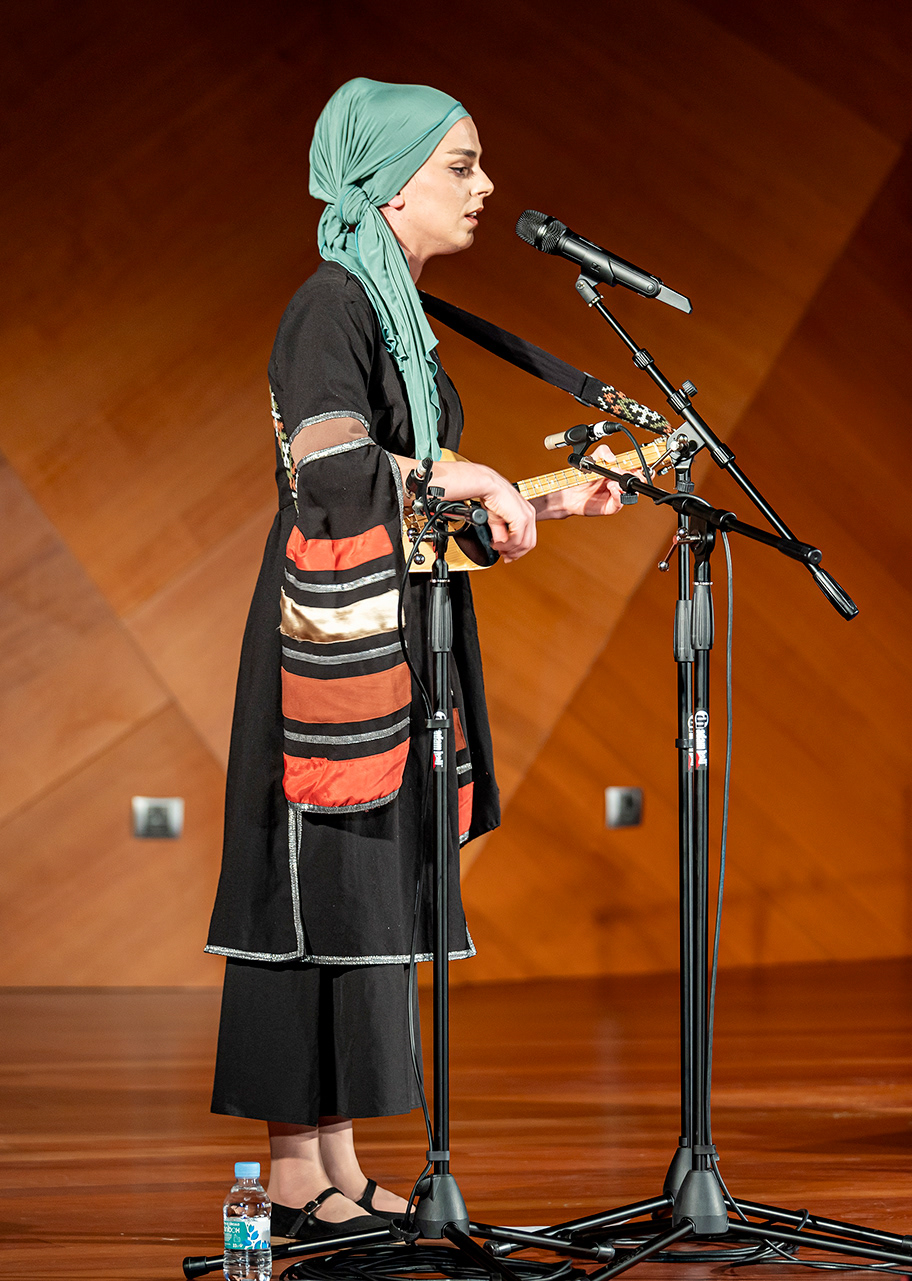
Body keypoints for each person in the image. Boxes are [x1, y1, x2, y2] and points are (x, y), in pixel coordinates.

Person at [204, 78, 631, 1240]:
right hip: (328, 644)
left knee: (363, 894)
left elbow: (415, 500)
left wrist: (542, 497)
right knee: (312, 891)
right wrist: (473, 476)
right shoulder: (331, 305)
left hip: (393, 627)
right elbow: (336, 472)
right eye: (460, 165)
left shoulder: (396, 314)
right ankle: (291, 1174)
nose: (484, 187)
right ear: (388, 186)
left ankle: (335, 1168)